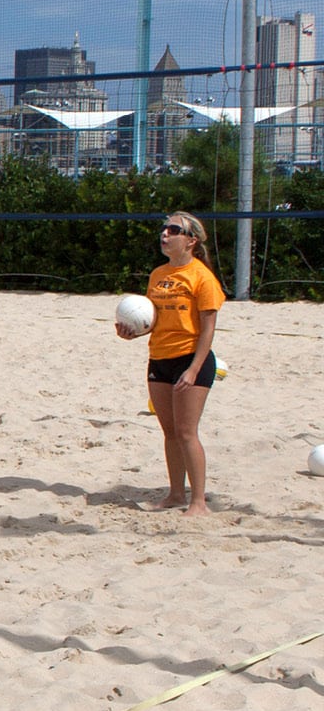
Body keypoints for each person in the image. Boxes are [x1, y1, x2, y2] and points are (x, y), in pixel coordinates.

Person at [117, 212, 224, 517]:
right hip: (159, 358)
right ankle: (176, 494)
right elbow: (155, 322)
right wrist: (132, 332)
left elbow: (208, 329)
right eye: (164, 228)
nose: (165, 234)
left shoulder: (202, 277)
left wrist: (193, 370)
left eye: (173, 230)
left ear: (191, 240)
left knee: (187, 432)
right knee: (170, 433)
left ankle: (198, 502)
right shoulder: (158, 275)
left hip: (191, 358)